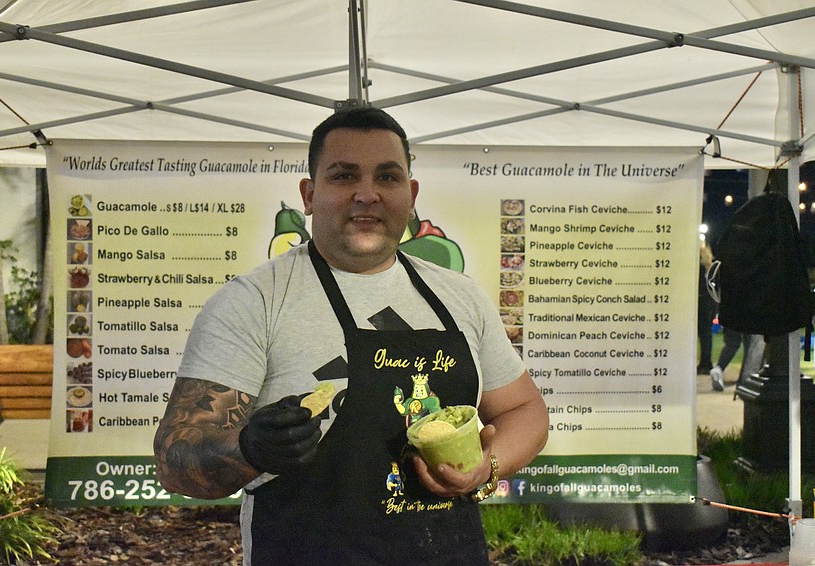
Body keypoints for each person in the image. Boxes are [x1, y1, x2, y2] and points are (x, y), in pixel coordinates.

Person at [153, 106, 549, 565]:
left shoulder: (460, 296)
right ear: (309, 194)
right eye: (344, 177)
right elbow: (175, 459)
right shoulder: (254, 302)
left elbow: (525, 409)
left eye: (387, 177)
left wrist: (487, 466)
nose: (367, 194)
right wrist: (250, 449)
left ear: (411, 193)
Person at [697, 240, 716, 374]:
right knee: (706, 334)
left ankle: (704, 362)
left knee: (702, 333)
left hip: (701, 301)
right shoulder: (709, 265)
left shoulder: (699, 266)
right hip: (709, 302)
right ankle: (706, 361)